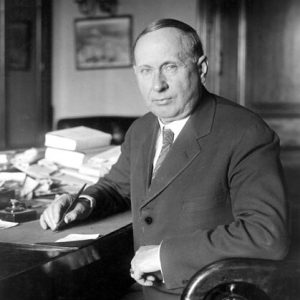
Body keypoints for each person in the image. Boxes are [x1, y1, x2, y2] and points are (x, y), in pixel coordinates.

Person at [40, 19, 290, 300]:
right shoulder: (142, 129)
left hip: (206, 292)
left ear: (201, 68)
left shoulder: (245, 131)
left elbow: (267, 234)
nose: (157, 85)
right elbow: (117, 186)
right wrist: (84, 203)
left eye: (170, 67)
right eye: (146, 71)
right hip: (146, 287)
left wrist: (162, 256)